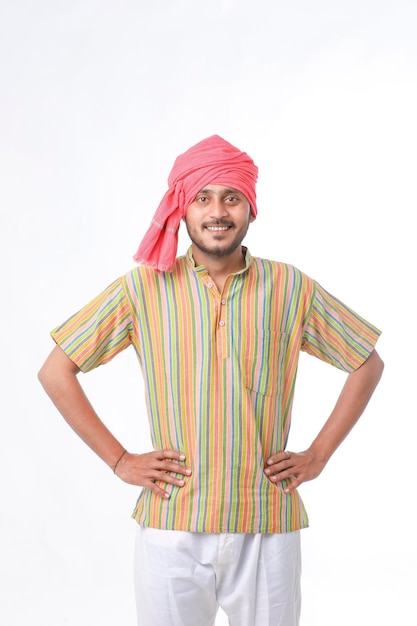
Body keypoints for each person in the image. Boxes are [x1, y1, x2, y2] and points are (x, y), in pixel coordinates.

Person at [38, 135, 384, 626]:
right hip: (172, 522)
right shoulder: (143, 288)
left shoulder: (290, 287)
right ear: (182, 208)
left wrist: (318, 455)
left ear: (251, 208)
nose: (217, 211)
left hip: (265, 519)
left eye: (231, 197)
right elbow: (56, 371)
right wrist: (119, 460)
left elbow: (366, 363)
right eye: (202, 197)